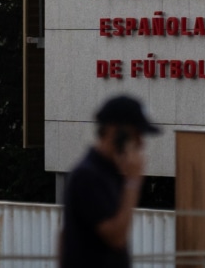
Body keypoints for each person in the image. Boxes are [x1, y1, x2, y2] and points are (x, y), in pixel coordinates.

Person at [59, 94, 161, 268]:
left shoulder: (108, 173)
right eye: (137, 134)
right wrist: (133, 182)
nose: (141, 143)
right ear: (115, 132)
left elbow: (63, 237)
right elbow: (116, 237)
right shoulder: (88, 176)